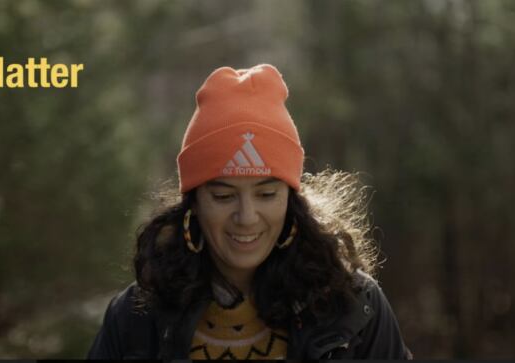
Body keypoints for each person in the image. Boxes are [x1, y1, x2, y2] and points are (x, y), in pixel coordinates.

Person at [87, 64, 412, 360]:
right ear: (194, 204)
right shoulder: (135, 319)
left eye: (267, 194)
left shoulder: (355, 308)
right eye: (224, 196)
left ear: (291, 199)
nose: (247, 216)